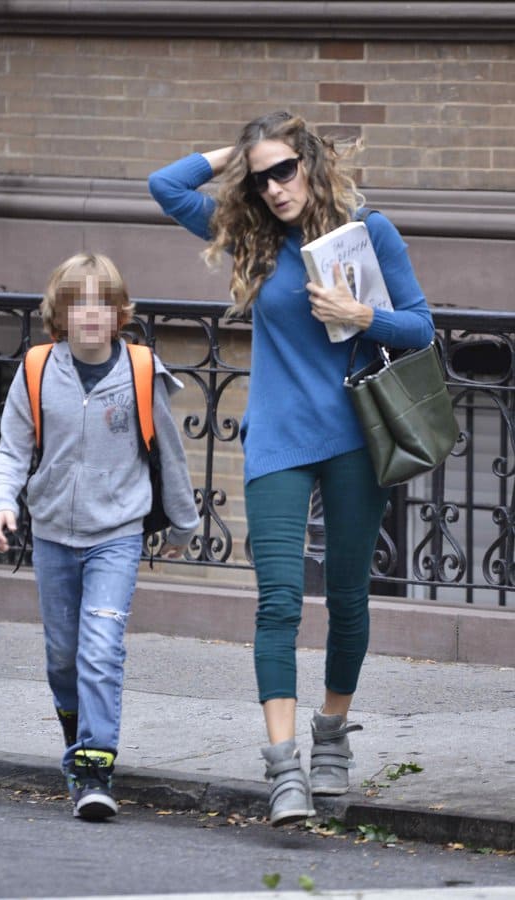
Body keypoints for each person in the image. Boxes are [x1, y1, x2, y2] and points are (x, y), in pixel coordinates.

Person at [148, 111, 434, 827]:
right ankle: (284, 770)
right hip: (278, 438)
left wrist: (362, 314)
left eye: (285, 169)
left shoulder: (370, 232)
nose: (275, 187)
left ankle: (331, 734)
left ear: (310, 162)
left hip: (353, 437)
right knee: (278, 602)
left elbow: (423, 326)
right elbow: (164, 184)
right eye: (262, 175)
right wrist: (238, 153)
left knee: (346, 599)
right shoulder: (253, 237)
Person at [0, 252, 199, 821]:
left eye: (101, 304)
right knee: (63, 657)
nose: (89, 315)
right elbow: (11, 448)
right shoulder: (35, 368)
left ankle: (94, 771)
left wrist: (182, 523)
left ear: (118, 314)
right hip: (54, 534)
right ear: (59, 312)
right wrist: (2, 502)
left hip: (117, 534)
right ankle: (77, 739)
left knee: (100, 650)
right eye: (77, 303)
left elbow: (169, 455)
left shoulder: (140, 369)